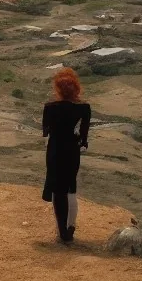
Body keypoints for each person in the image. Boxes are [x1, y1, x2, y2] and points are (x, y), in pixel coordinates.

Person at [42, 68, 91, 243]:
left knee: (57, 189)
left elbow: (46, 132)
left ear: (58, 89)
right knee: (71, 187)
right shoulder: (84, 108)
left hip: (55, 150)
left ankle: (61, 230)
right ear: (77, 88)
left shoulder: (50, 107)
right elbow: (84, 137)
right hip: (72, 151)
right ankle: (71, 227)